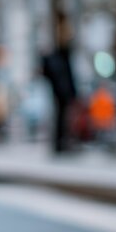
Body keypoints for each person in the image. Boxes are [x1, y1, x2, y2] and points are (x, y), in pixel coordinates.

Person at [42, 12, 77, 154]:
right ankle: (60, 143)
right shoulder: (57, 45)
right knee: (61, 115)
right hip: (60, 87)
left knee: (63, 115)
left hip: (62, 86)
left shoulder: (62, 51)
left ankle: (62, 142)